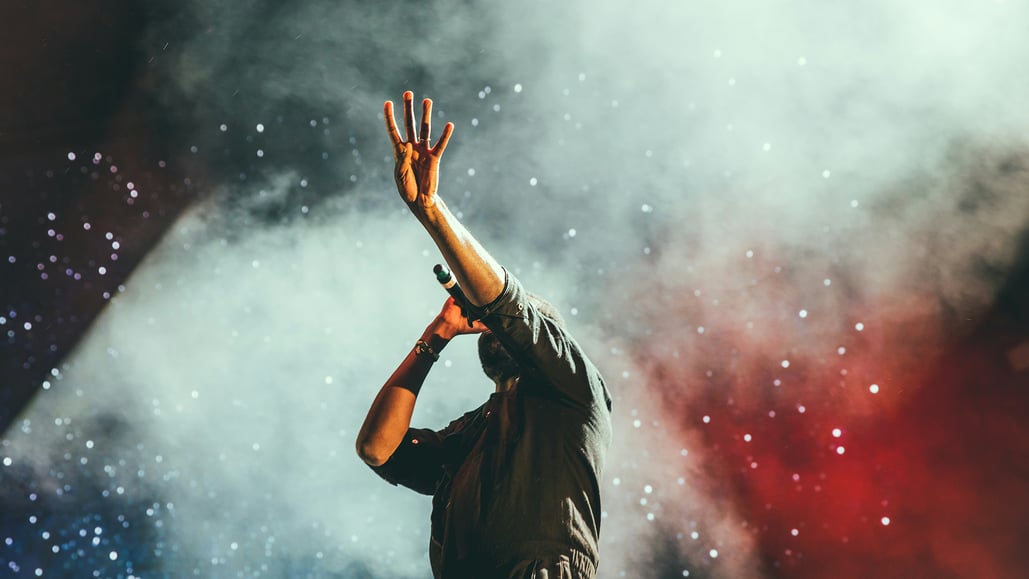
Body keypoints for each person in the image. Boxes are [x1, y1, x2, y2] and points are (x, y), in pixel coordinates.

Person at [356, 91, 612, 579]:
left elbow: (506, 303)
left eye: (509, 323)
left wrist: (432, 211)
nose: (491, 325)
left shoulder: (574, 387)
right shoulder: (471, 432)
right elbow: (376, 448)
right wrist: (436, 335)